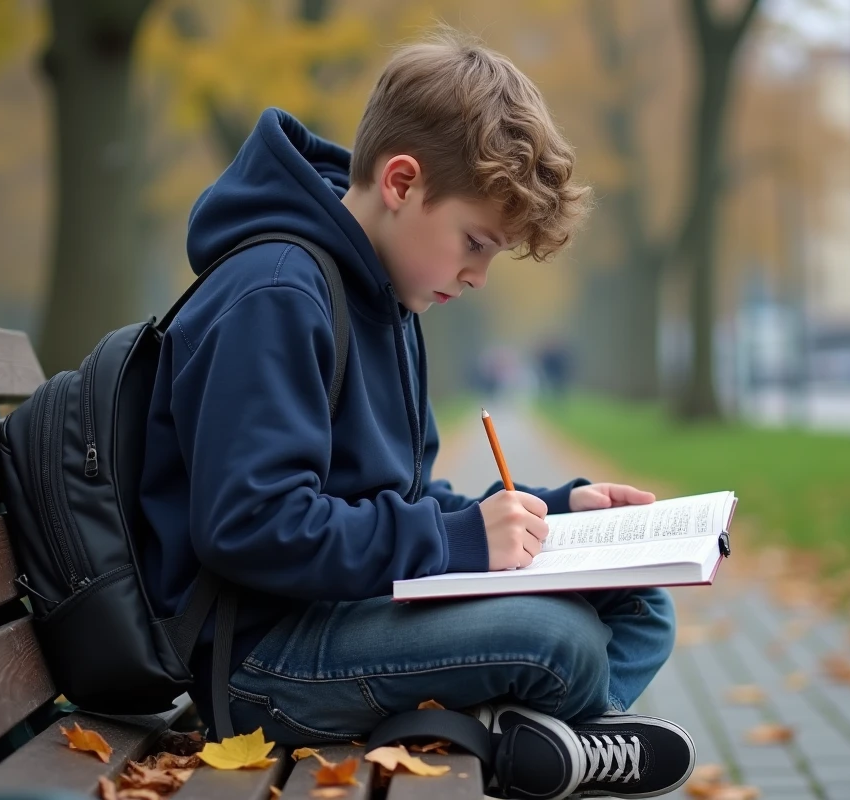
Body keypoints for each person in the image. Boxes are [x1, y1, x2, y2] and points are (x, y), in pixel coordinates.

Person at [138, 27, 694, 800]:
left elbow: (406, 499)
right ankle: (532, 743)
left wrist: (551, 516)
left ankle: (541, 743)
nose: (479, 276)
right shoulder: (277, 293)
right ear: (401, 182)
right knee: (555, 640)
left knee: (640, 605)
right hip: (263, 664)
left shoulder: (387, 298)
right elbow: (251, 525)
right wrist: (460, 540)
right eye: (475, 243)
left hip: (348, 612)